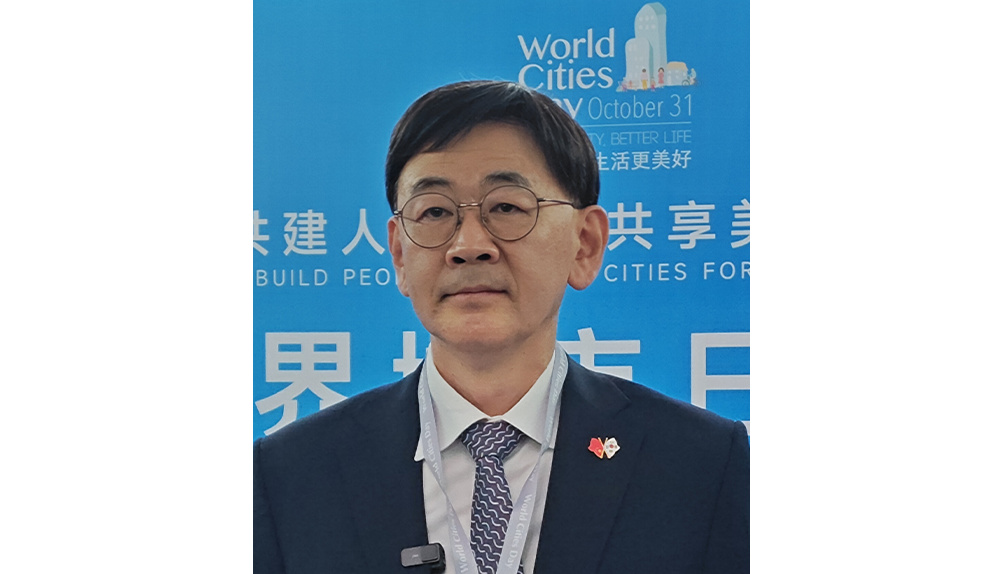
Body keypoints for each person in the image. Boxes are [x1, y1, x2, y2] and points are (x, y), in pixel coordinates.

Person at [254, 80, 749, 574]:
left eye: (507, 207)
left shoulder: (701, 462)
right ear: (400, 254)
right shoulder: (288, 473)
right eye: (434, 212)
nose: (469, 246)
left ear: (585, 244)